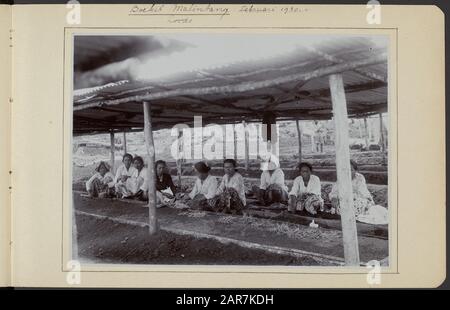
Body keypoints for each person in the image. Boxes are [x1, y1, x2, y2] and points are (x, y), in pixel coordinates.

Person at [329, 160, 388, 225]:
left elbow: (363, 191)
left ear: (356, 170)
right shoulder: (341, 179)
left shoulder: (359, 177)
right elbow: (334, 192)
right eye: (346, 170)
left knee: (372, 209)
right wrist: (334, 199)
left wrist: (368, 200)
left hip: (359, 199)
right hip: (345, 202)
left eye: (351, 170)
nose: (348, 172)